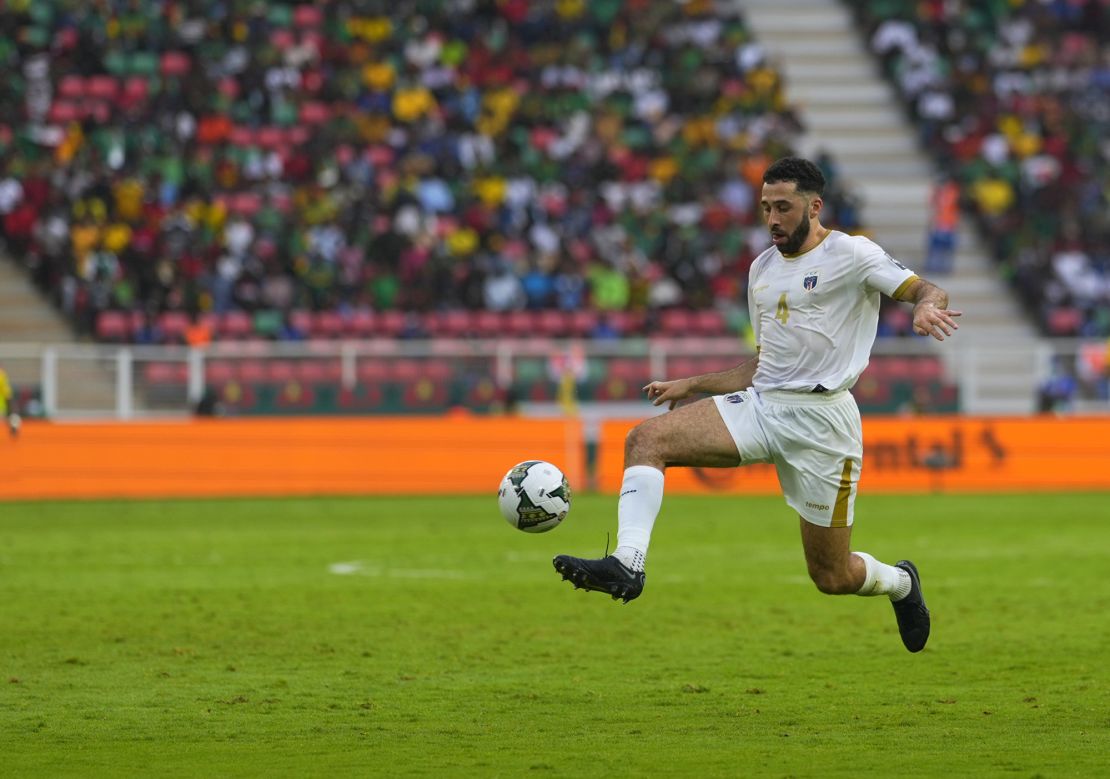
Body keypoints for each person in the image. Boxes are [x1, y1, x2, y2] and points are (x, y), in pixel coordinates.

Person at [553, 157, 962, 653]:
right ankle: (628, 563)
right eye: (766, 207)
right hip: (764, 406)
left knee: (832, 575)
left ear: (814, 207)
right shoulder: (762, 269)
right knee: (646, 439)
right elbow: (766, 362)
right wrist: (695, 383)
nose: (772, 218)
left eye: (783, 207)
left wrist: (923, 305)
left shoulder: (853, 253)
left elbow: (924, 287)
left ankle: (901, 583)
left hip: (824, 423)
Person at [0, 364, 21, 437]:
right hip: (2, 406)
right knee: (13, 414)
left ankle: (13, 424)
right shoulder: (1, 375)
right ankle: (14, 424)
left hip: (2, 406)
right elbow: (7, 394)